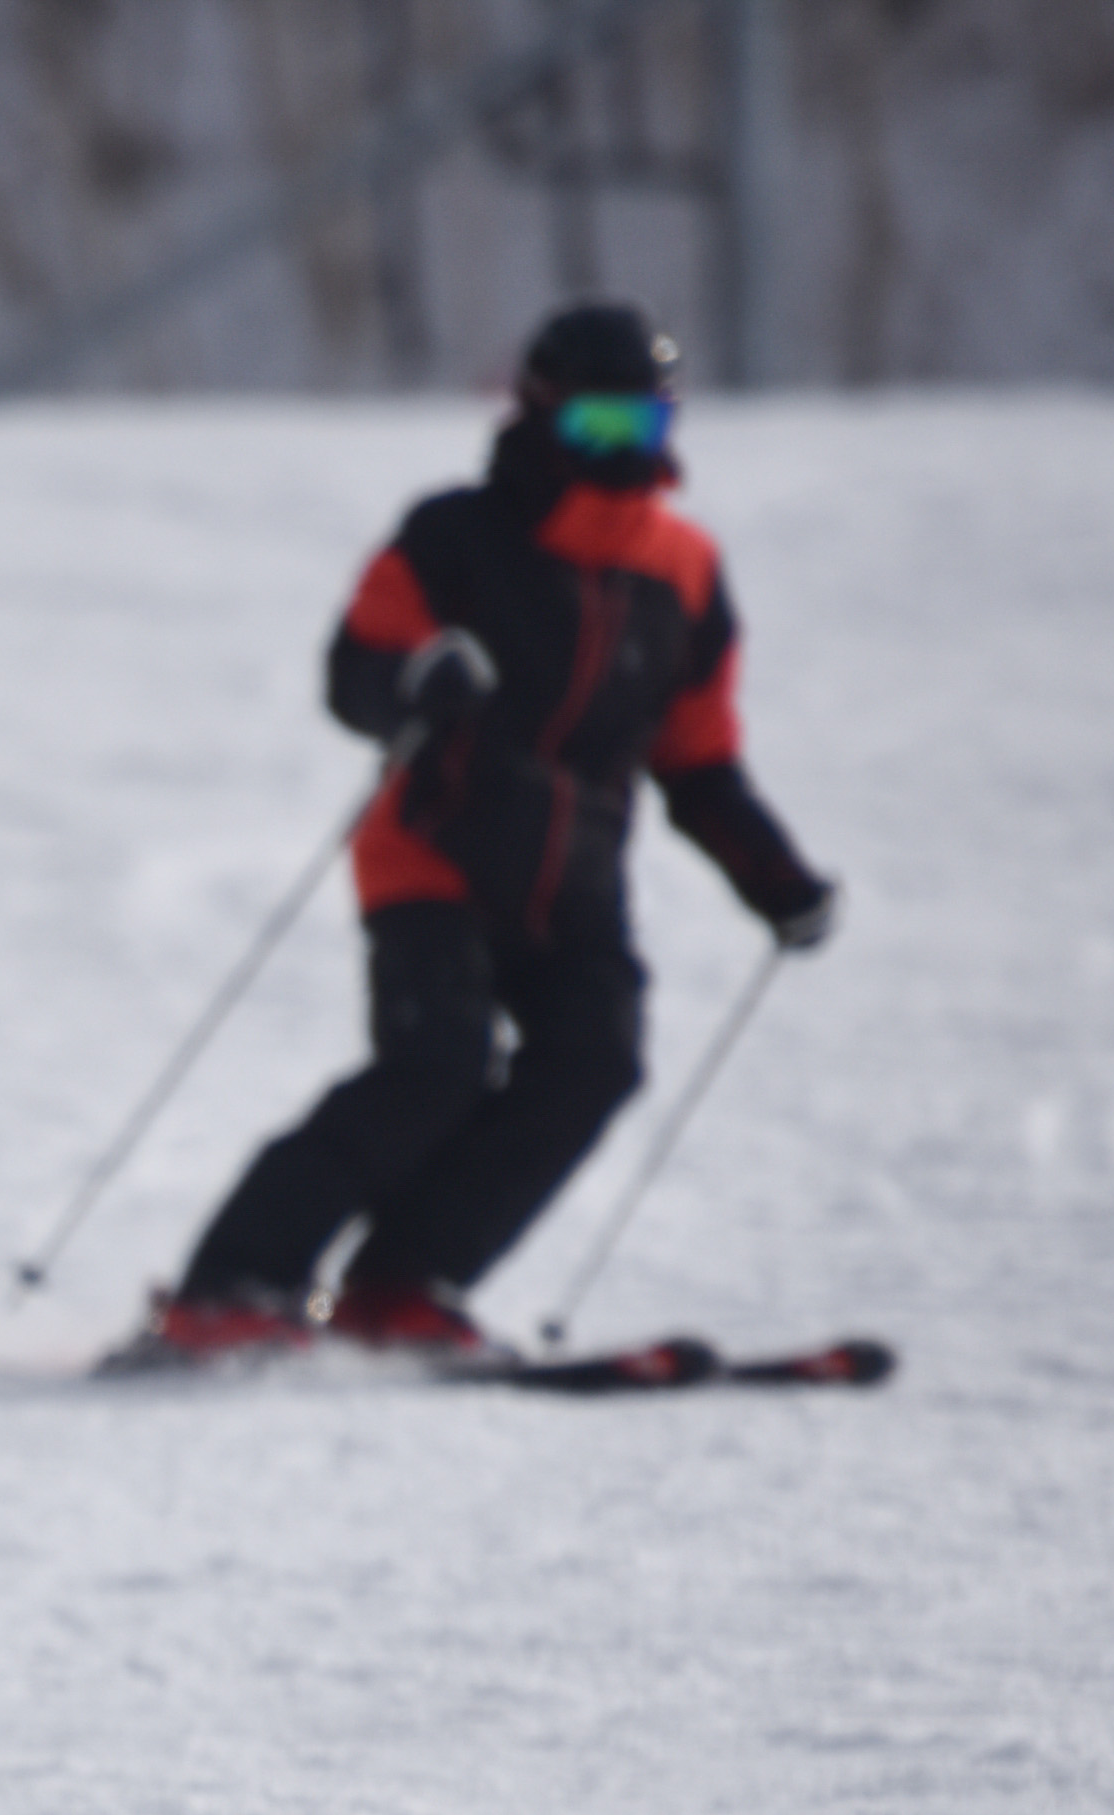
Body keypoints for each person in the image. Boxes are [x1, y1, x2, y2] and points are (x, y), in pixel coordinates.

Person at [111, 299, 839, 1370]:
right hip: (436, 852)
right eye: (598, 428)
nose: (622, 454)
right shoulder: (453, 536)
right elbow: (354, 669)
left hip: (575, 872)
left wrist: (775, 879)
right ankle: (234, 1282)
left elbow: (697, 756)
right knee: (435, 1063)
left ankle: (403, 1284)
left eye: (643, 429)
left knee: (595, 1060)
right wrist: (417, 675)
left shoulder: (683, 575)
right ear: (538, 412)